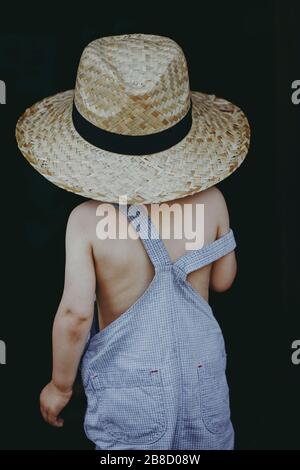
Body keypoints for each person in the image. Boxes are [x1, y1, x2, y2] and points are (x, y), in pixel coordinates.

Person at [16, 33, 250, 450]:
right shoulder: (213, 199)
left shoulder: (87, 222)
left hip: (131, 389)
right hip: (203, 381)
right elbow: (223, 281)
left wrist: (60, 386)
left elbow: (74, 317)